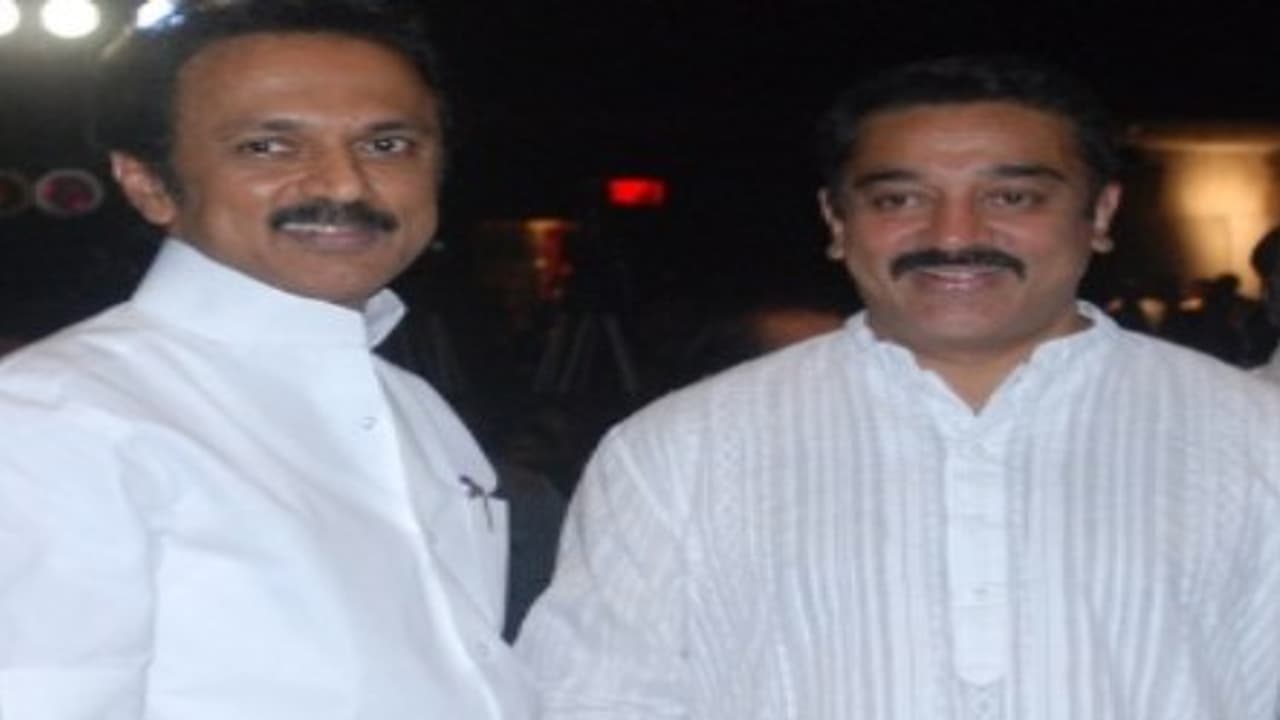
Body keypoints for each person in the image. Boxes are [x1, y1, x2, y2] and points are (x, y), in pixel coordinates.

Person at [516, 55, 1280, 719]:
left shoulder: (1252, 434)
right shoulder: (678, 452)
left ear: (1101, 213)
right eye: (899, 199)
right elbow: (594, 698)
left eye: (1012, 197)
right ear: (836, 220)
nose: (954, 235)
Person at [0, 2, 534, 718]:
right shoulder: (56, 420)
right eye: (269, 147)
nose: (344, 185)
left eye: (387, 145)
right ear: (148, 183)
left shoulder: (413, 404)